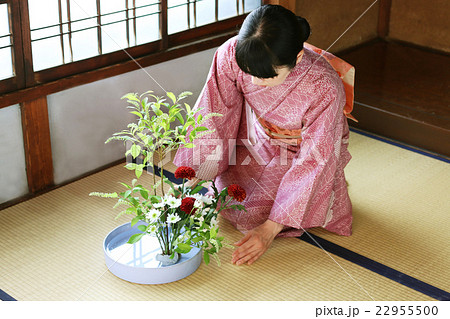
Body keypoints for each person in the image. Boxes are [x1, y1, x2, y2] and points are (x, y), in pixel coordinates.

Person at [173, 4, 355, 266]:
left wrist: (269, 230)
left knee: (256, 216)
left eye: (268, 75)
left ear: (298, 58)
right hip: (257, 135)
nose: (256, 82)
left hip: (305, 150)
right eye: (249, 72)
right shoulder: (230, 53)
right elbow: (215, 113)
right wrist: (195, 171)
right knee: (230, 197)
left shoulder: (323, 85)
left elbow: (317, 159)